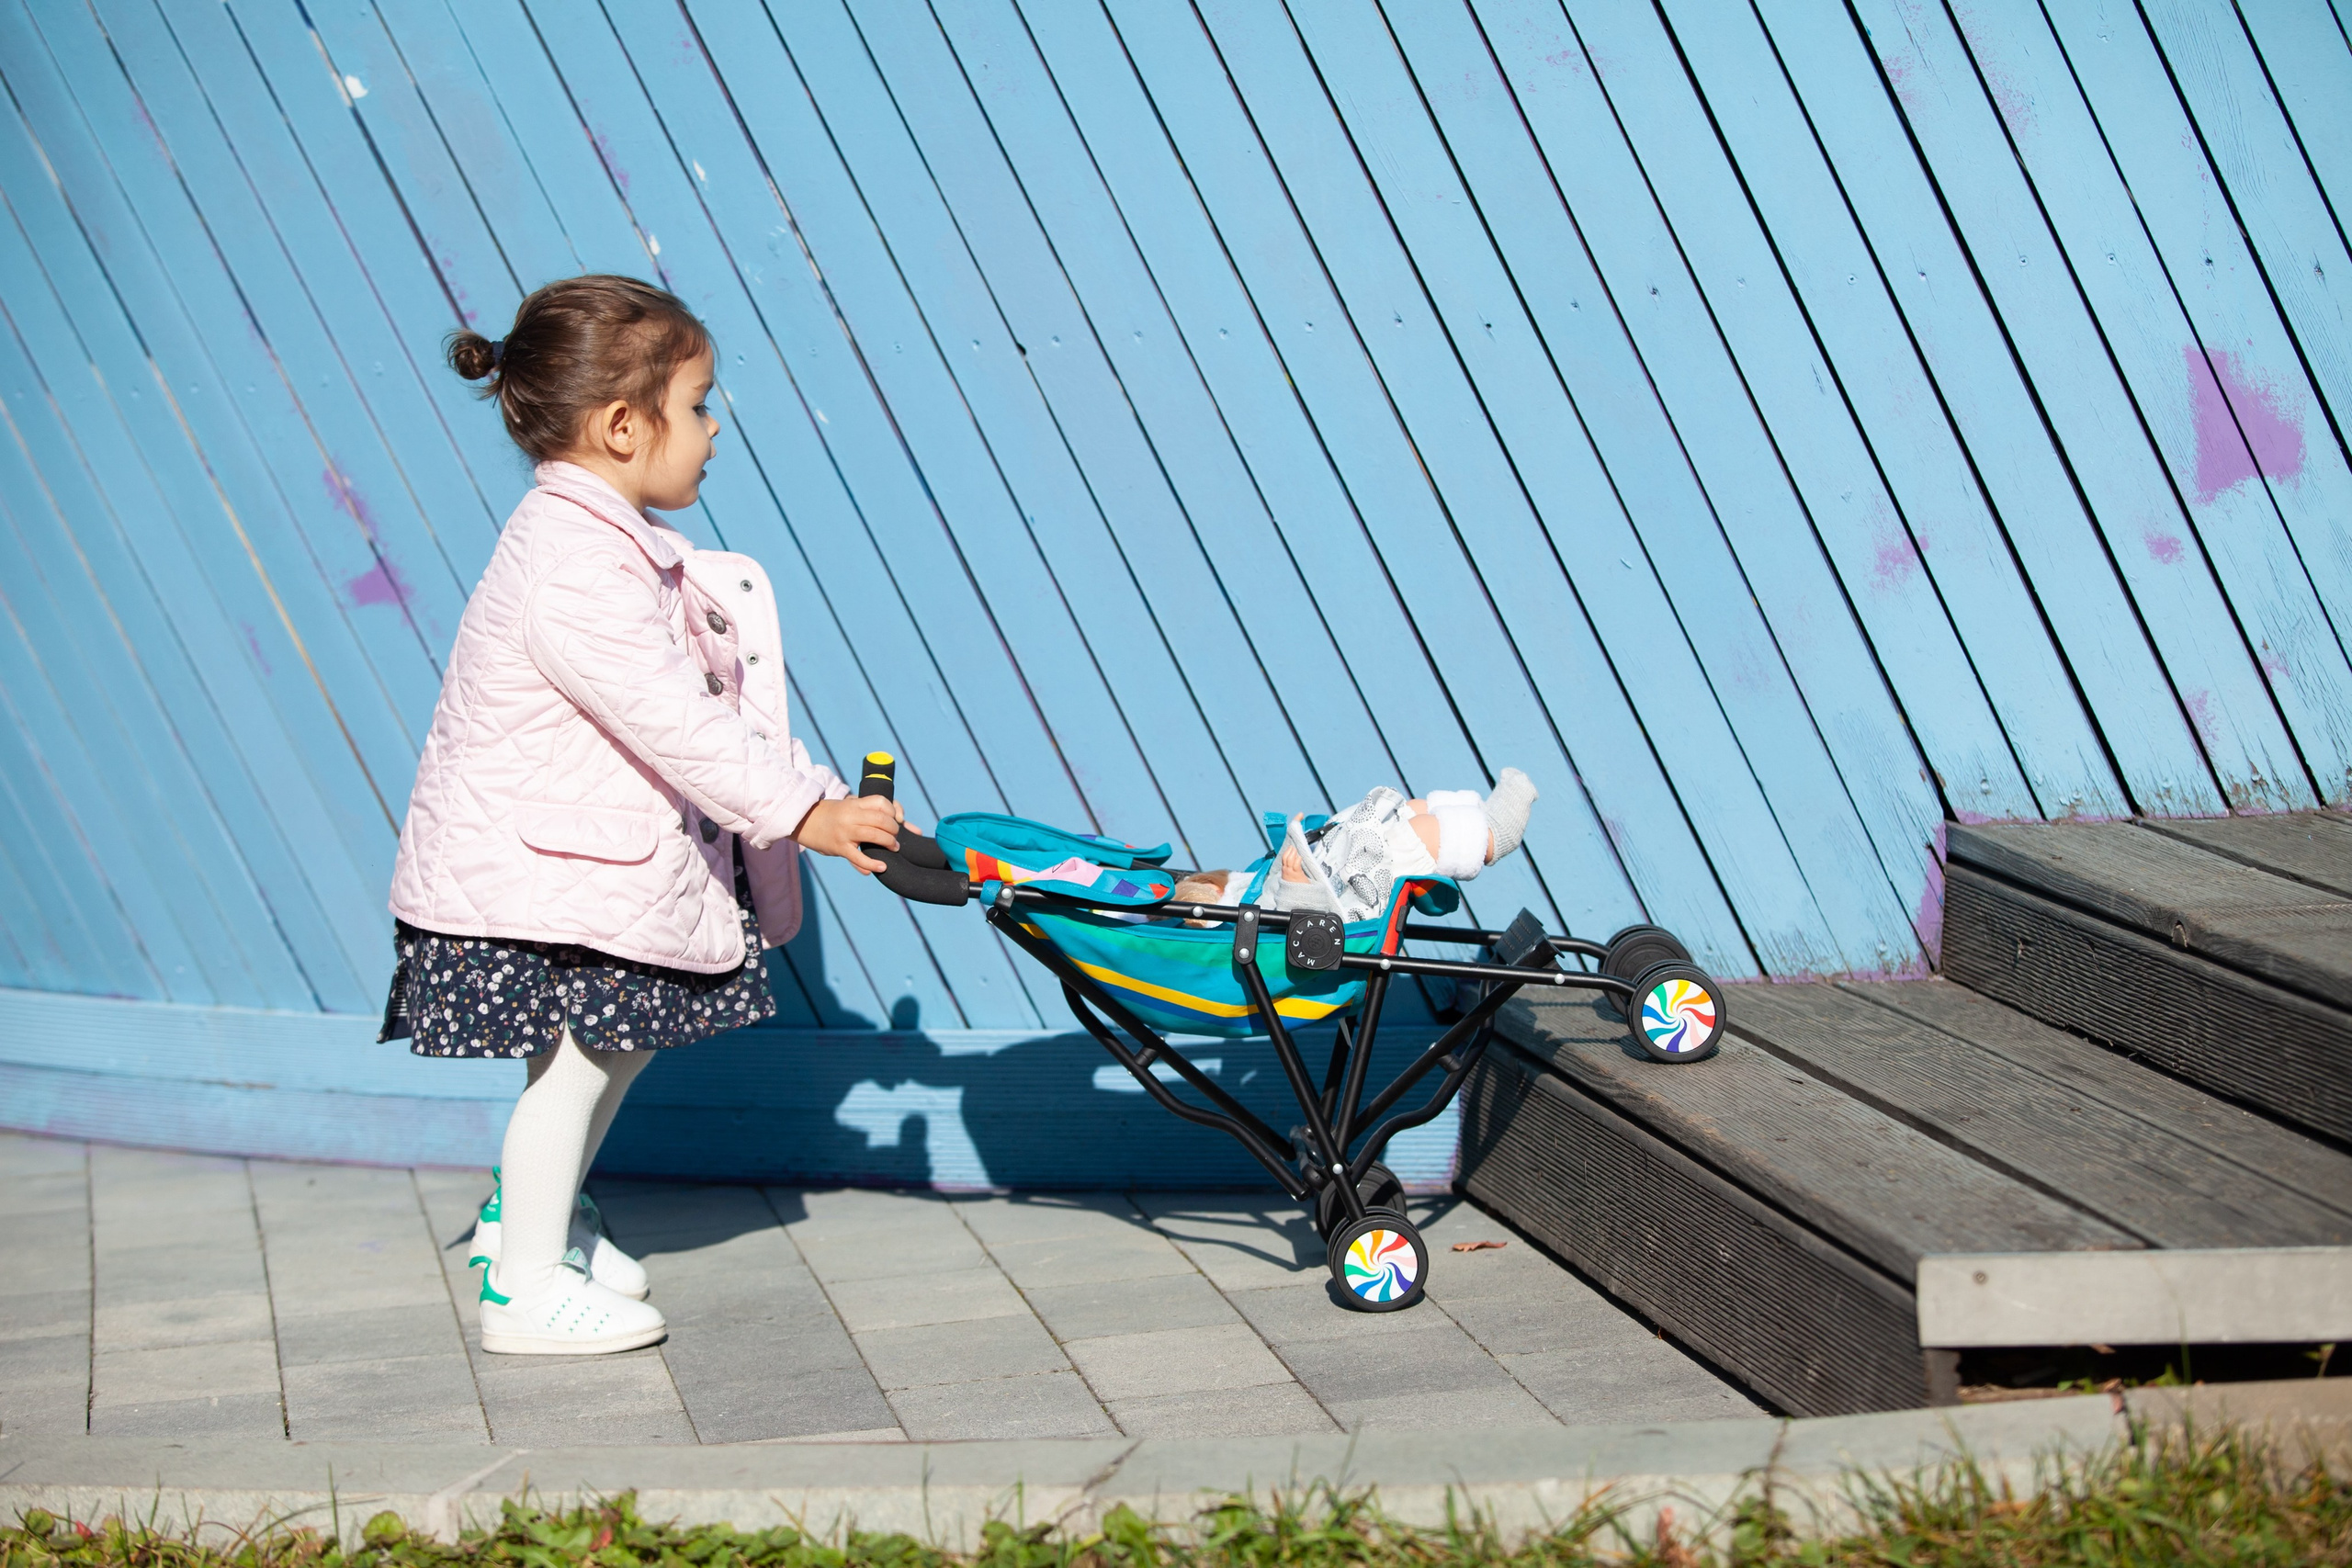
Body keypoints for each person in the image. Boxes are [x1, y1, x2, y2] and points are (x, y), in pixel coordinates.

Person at [379, 276, 907, 1356]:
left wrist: (809, 794)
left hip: (585, 865)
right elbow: (673, 720)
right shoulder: (574, 562)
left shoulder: (606, 543)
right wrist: (803, 811)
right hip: (551, 875)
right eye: (700, 403)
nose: (713, 431)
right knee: (579, 1062)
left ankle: (538, 1223)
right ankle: (522, 1287)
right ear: (624, 426)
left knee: (603, 1058)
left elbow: (718, 710)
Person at [1170, 769, 1536, 923]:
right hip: (1350, 891)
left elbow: (1261, 881)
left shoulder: (1242, 888)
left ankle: (1475, 813)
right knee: (1415, 836)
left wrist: (1292, 845)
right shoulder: (1241, 922)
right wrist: (1297, 889)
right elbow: (1287, 928)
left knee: (1408, 812)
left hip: (1339, 864)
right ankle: (1492, 837)